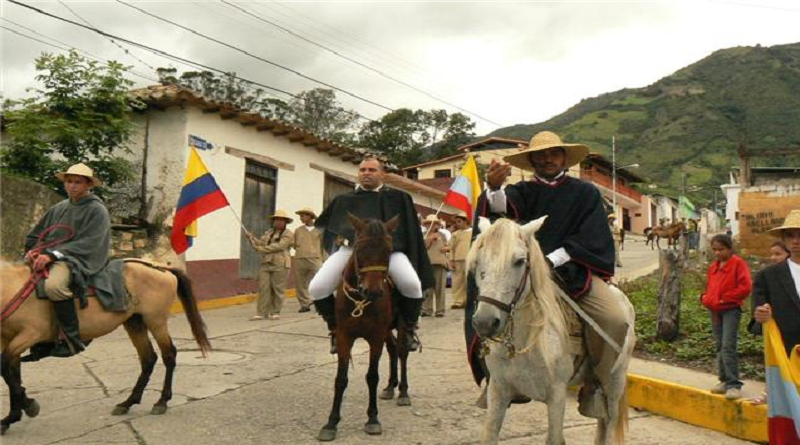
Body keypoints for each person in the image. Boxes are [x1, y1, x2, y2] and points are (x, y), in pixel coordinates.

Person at [475, 130, 628, 417]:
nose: (547, 159)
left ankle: (595, 383)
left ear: (564, 158)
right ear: (531, 161)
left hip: (574, 271)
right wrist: (493, 187)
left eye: (553, 153)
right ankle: (495, 378)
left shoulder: (586, 193)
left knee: (615, 321)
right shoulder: (520, 192)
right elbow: (499, 215)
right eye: (540, 155)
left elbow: (591, 236)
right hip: (523, 274)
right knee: (485, 311)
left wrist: (550, 260)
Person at [310, 157, 434, 353]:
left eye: (372, 170)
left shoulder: (399, 198)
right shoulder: (344, 200)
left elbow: (408, 231)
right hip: (353, 251)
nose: (366, 173)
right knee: (317, 287)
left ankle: (409, 329)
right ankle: (335, 329)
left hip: (388, 252)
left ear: (382, 174)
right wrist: (341, 239)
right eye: (363, 170)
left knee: (412, 284)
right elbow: (333, 231)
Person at [24, 163, 111, 357]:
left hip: (77, 258)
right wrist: (33, 251)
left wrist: (52, 255)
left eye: (77, 182)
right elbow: (36, 234)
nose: (72, 186)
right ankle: (43, 336)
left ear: (89, 184)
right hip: (49, 256)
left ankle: (72, 339)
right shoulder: (59, 208)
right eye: (69, 181)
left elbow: (91, 241)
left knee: (54, 286)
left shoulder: (97, 210)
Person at [751, 212, 800, 404]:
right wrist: (761, 316)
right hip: (785, 351)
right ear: (784, 240)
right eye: (790, 235)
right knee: (789, 409)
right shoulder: (767, 277)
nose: (796, 241)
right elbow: (758, 315)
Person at [701, 234, 752, 400]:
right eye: (714, 250)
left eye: (721, 249)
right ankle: (723, 380)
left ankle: (733, 384)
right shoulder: (713, 267)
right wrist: (706, 299)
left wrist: (725, 298)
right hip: (715, 311)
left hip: (730, 310)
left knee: (728, 345)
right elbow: (711, 287)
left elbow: (745, 287)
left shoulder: (737, 264)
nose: (717, 253)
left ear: (730, 249)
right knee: (718, 345)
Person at [746, 239, 791, 405]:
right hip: (777, 329)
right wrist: (761, 314)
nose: (773, 257)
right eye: (772, 254)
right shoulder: (767, 276)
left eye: (778, 254)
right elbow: (758, 301)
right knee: (775, 363)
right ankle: (768, 393)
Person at [247, 210, 294, 320]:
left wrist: (262, 249)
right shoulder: (268, 232)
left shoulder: (288, 234)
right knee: (263, 288)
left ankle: (275, 311)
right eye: (276, 219)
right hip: (266, 262)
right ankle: (261, 312)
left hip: (280, 263)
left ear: (285, 222)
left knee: (278, 288)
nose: (278, 222)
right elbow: (260, 243)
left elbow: (280, 246)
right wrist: (251, 238)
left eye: (281, 220)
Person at [293, 207, 324, 313]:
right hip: (300, 258)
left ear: (310, 217)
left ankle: (320, 302)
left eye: (303, 216)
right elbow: (294, 244)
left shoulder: (320, 230)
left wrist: (324, 259)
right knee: (300, 283)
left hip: (315, 258)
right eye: (300, 216)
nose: (301, 218)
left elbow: (324, 245)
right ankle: (305, 304)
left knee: (320, 281)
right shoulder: (298, 230)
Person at [422, 215, 449, 317]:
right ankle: (426, 309)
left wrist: (446, 249)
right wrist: (429, 240)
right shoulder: (423, 235)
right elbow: (422, 249)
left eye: (434, 223)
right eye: (430, 223)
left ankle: (440, 310)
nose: (432, 225)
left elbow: (448, 246)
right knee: (427, 288)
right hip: (427, 264)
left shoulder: (442, 235)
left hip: (440, 264)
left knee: (440, 288)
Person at [449, 212, 471, 309]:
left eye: (459, 221)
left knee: (469, 281)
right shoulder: (455, 234)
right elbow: (450, 248)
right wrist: (451, 260)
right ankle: (457, 301)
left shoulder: (473, 232)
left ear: (466, 221)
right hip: (457, 260)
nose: (457, 224)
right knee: (457, 281)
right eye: (456, 222)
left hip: (470, 260)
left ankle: (468, 301)